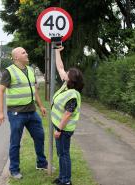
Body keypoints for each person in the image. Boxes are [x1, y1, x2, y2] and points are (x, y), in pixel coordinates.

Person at [0, 47, 48, 179]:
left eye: (26, 51)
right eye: (23, 52)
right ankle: (14, 169)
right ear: (16, 57)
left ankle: (41, 163)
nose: (27, 53)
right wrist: (0, 112)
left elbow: (34, 90)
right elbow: (0, 91)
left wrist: (41, 106)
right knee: (15, 142)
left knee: (40, 136)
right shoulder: (9, 71)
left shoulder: (30, 70)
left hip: (32, 112)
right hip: (16, 114)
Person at [52, 46, 84, 185]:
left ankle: (66, 181)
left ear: (70, 79)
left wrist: (59, 129)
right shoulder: (67, 86)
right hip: (60, 127)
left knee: (64, 154)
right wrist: (57, 51)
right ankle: (62, 177)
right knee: (61, 154)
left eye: (67, 73)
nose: (64, 73)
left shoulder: (73, 95)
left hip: (64, 129)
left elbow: (67, 114)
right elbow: (59, 66)